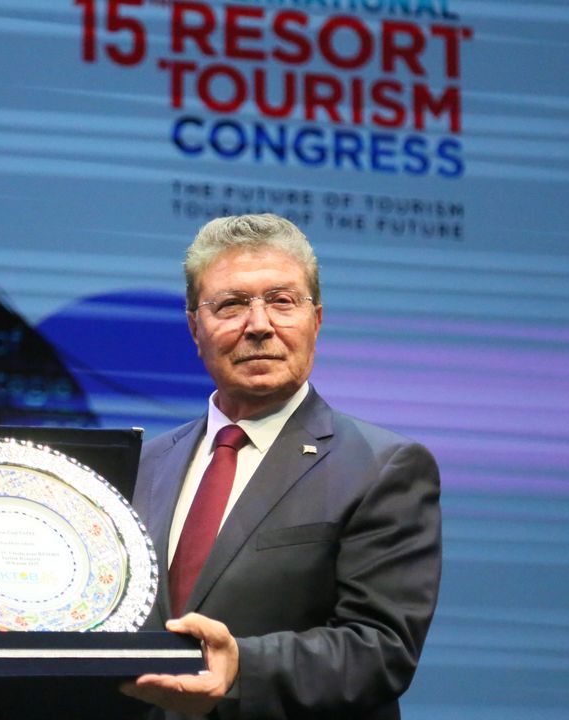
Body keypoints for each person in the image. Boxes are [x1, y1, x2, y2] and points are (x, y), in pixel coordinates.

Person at [122, 214, 441, 720]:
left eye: (282, 301)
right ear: (194, 328)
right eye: (230, 305)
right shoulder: (143, 466)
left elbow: (382, 649)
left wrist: (241, 667)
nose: (259, 325)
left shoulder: (382, 468)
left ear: (316, 320)